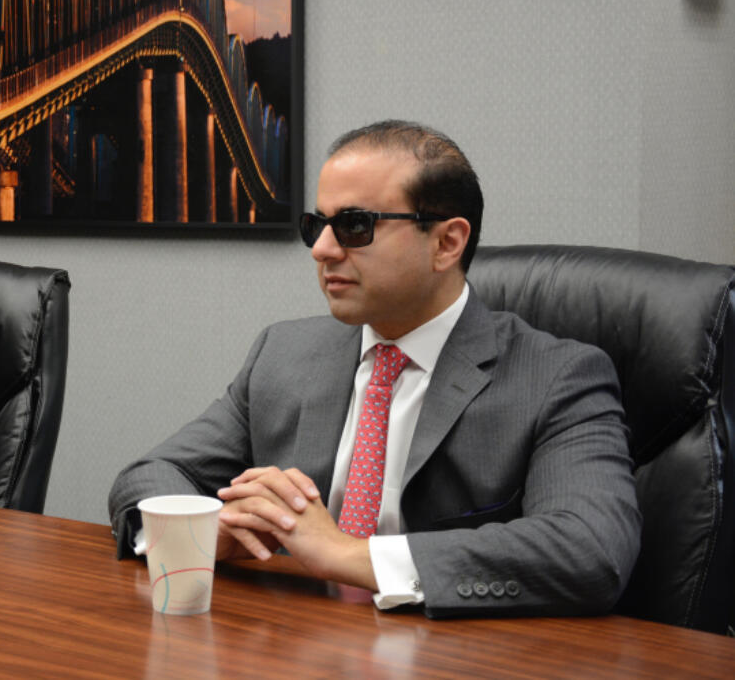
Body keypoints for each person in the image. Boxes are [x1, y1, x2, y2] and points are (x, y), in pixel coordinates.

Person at [108, 120, 641, 618]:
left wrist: (346, 555)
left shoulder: (558, 377)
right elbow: (147, 478)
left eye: (354, 225)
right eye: (316, 225)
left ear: (446, 242)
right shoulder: (284, 353)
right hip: (292, 649)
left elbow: (591, 548)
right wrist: (201, 529)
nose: (321, 249)